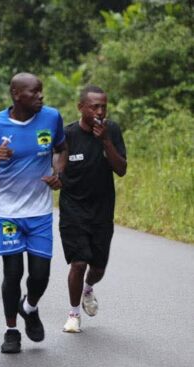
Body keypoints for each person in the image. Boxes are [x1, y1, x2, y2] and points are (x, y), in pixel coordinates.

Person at [0, 72, 67, 354]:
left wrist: (58, 173)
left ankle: (30, 307)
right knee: (13, 273)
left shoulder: (51, 117)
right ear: (15, 94)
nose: (41, 97)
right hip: (7, 212)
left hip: (39, 212)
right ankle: (11, 330)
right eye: (34, 92)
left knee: (40, 274)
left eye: (41, 91)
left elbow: (61, 149)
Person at [59, 85, 127, 333]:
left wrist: (106, 140)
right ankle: (73, 314)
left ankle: (89, 288)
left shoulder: (112, 130)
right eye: (94, 106)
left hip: (102, 210)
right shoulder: (67, 135)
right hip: (73, 210)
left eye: (103, 106)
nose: (99, 111)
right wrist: (55, 177)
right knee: (78, 263)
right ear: (81, 107)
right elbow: (58, 168)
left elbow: (121, 169)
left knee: (97, 267)